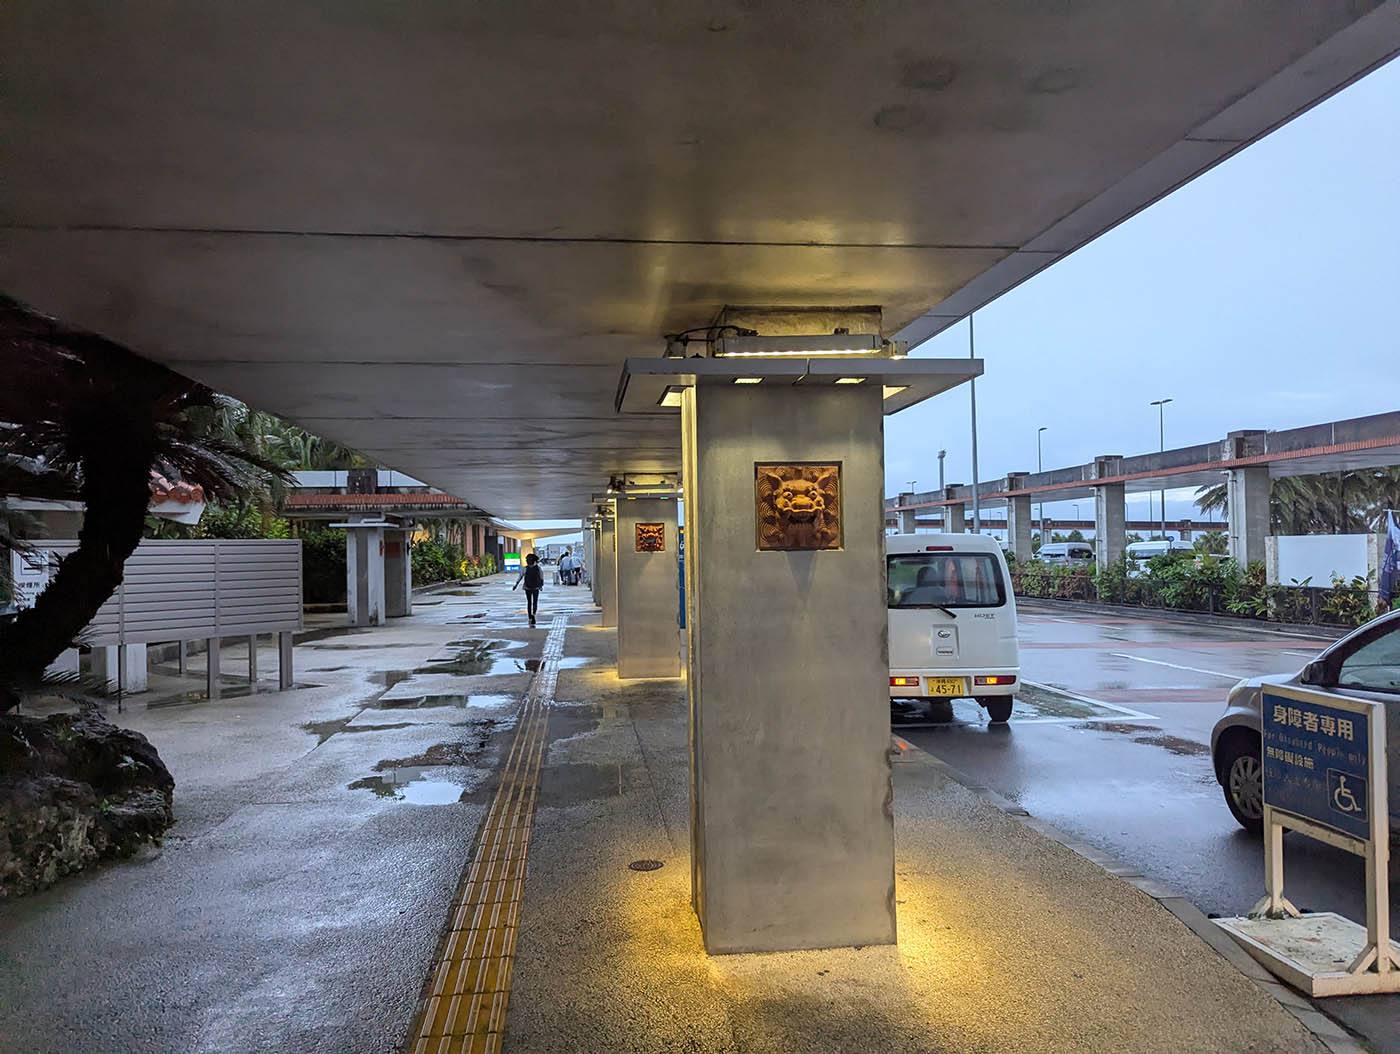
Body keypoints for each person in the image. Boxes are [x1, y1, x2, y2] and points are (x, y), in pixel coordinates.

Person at [512, 552, 544, 625]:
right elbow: (541, 577)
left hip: (527, 587)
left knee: (529, 602)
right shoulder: (538, 568)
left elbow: (520, 577)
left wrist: (516, 585)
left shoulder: (525, 569)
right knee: (535, 602)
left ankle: (530, 617)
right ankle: (534, 614)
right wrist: (541, 585)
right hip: (536, 587)